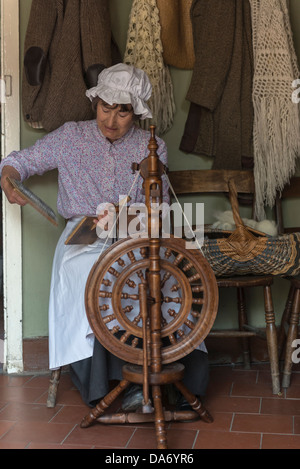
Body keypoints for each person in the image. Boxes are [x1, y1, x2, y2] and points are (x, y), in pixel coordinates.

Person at [0, 63, 209, 410]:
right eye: (105, 107)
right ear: (95, 103)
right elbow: (19, 162)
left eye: (123, 111)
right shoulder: (70, 136)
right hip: (84, 227)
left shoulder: (150, 144)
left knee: (161, 273)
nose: (111, 120)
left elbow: (159, 206)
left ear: (137, 112)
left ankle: (170, 377)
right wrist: (9, 178)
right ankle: (106, 383)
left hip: (135, 226)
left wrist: (127, 216)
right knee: (88, 272)